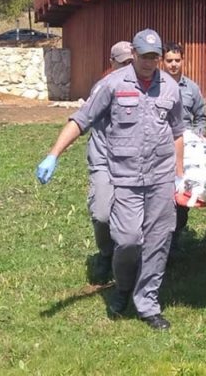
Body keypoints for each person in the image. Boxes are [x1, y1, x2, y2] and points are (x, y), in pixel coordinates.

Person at [35, 28, 184, 331]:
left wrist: (179, 175)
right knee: (128, 240)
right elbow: (81, 119)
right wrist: (53, 154)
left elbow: (178, 132)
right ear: (134, 53)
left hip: (160, 177)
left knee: (157, 242)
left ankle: (148, 304)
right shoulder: (112, 84)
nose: (150, 62)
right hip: (125, 177)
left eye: (155, 57)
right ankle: (123, 286)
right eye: (145, 56)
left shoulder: (170, 87)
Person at [84, 40, 133, 284]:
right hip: (104, 159)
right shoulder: (103, 87)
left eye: (131, 62)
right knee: (102, 214)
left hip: (132, 164)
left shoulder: (143, 88)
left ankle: (130, 262)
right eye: (122, 63)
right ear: (111, 63)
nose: (127, 67)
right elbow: (83, 119)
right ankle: (106, 253)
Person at [161, 41, 206, 255]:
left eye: (177, 60)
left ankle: (175, 235)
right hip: (161, 147)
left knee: (181, 193)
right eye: (169, 60)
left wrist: (197, 134)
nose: (173, 64)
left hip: (187, 150)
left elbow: (201, 117)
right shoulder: (156, 86)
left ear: (183, 61)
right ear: (162, 62)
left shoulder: (192, 88)